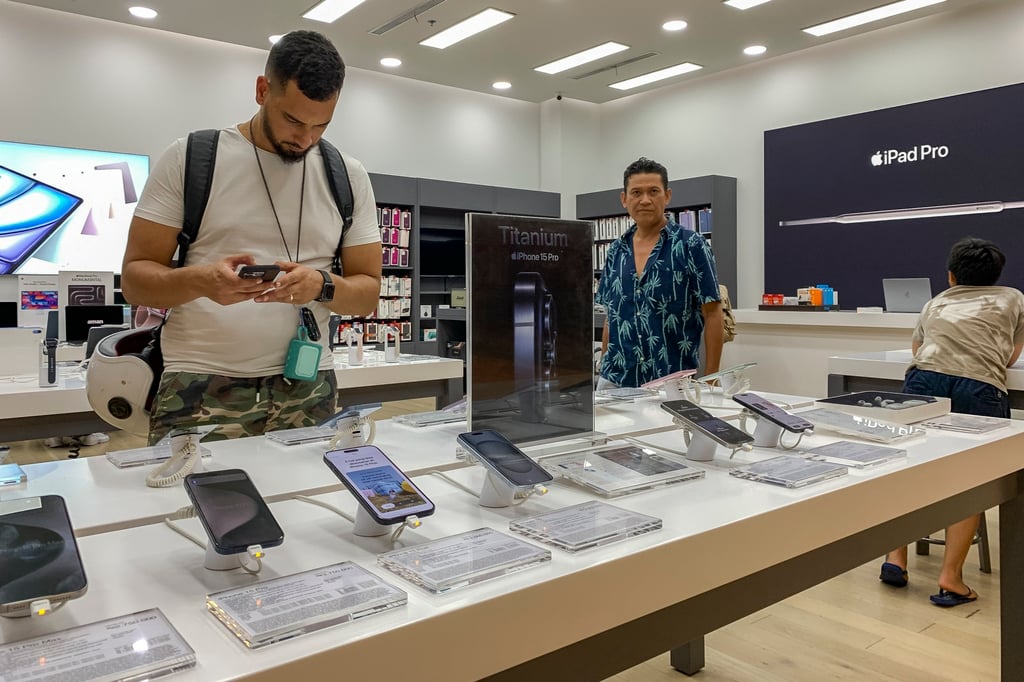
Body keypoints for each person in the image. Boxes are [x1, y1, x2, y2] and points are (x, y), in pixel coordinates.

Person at [121, 30, 381, 445]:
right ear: (262, 90)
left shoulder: (347, 175)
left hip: (308, 383)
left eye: (321, 125)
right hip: (199, 381)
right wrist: (204, 282)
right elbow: (135, 280)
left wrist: (322, 285)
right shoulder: (190, 158)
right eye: (293, 120)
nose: (305, 138)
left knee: (306, 505)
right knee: (190, 505)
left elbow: (367, 294)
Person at [879, 237, 1024, 606]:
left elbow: (917, 350)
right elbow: (1008, 358)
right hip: (978, 386)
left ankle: (895, 558)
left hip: (922, 381)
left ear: (950, 276)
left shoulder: (936, 302)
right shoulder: (1013, 299)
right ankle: (951, 579)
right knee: (971, 480)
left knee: (908, 467)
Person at [595, 157, 723, 388]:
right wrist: (604, 362)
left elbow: (713, 313)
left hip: (670, 379)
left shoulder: (691, 245)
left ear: (667, 196)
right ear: (624, 199)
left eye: (653, 191)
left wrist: (711, 378)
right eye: (636, 193)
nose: (645, 200)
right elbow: (611, 318)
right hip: (614, 378)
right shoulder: (616, 250)